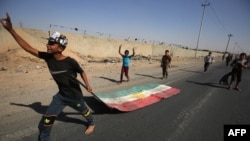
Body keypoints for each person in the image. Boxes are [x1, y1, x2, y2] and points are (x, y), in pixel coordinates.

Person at [0, 13, 95, 141]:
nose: (47, 45)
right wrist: (11, 30)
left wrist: (88, 84)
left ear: (60, 48)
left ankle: (91, 123)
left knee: (84, 111)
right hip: (60, 97)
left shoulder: (70, 62)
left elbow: (82, 72)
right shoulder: (48, 57)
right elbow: (28, 48)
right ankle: (44, 138)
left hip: (75, 96)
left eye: (51, 43)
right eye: (48, 43)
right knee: (47, 119)